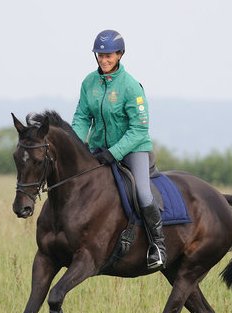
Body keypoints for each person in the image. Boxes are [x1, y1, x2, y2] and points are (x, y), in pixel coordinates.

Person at [72, 29, 166, 270]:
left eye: (109, 56)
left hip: (133, 150)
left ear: (120, 55)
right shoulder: (88, 83)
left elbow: (139, 129)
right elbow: (82, 117)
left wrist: (114, 153)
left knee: (143, 194)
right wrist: (75, 144)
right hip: (99, 150)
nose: (104, 60)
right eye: (100, 55)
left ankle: (158, 246)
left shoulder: (131, 87)